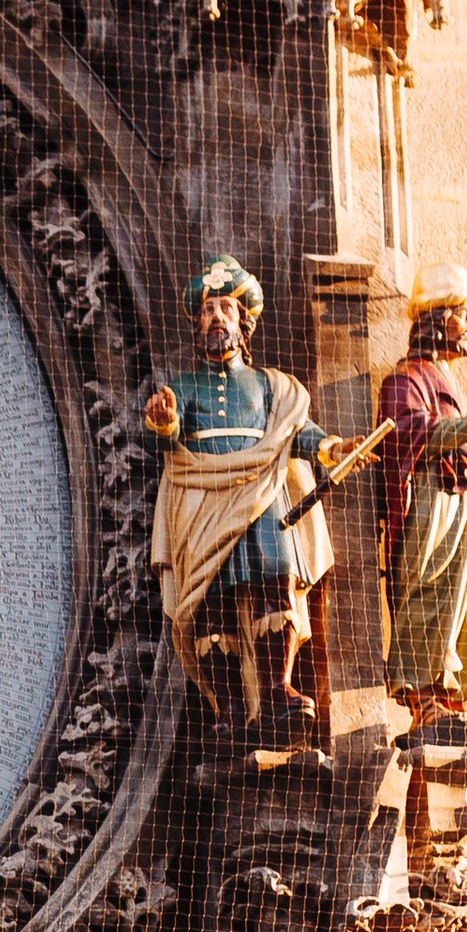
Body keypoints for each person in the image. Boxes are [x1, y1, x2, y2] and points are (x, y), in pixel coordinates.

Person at [145, 254, 335, 745]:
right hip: (204, 500)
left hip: (263, 495)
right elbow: (162, 442)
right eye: (207, 310)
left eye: (225, 309)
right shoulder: (183, 386)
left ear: (243, 322)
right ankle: (229, 708)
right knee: (213, 601)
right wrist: (163, 422)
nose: (215, 318)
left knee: (278, 580)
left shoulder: (271, 385)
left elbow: (295, 430)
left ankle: (277, 690)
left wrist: (329, 447)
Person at [378, 256, 467, 725]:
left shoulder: (448, 382)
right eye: (462, 314)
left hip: (465, 514)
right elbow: (410, 431)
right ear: (438, 317)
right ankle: (425, 699)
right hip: (431, 512)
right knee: (432, 595)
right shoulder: (404, 378)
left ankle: (461, 697)